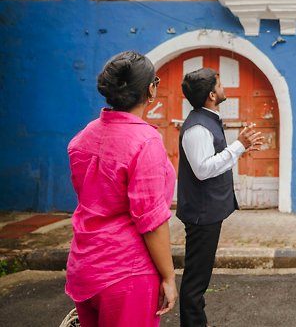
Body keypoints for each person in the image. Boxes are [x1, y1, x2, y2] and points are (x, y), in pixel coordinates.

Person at [66, 51, 177, 327]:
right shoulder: (145, 141)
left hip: (84, 266)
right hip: (127, 272)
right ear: (151, 89)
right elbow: (151, 220)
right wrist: (168, 276)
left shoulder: (84, 136)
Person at [178, 67, 264, 327]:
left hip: (208, 212)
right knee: (196, 281)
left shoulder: (208, 119)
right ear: (212, 95)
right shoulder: (197, 128)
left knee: (200, 278)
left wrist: (240, 149)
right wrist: (239, 146)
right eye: (220, 83)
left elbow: (214, 160)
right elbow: (203, 170)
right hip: (201, 214)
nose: (224, 87)